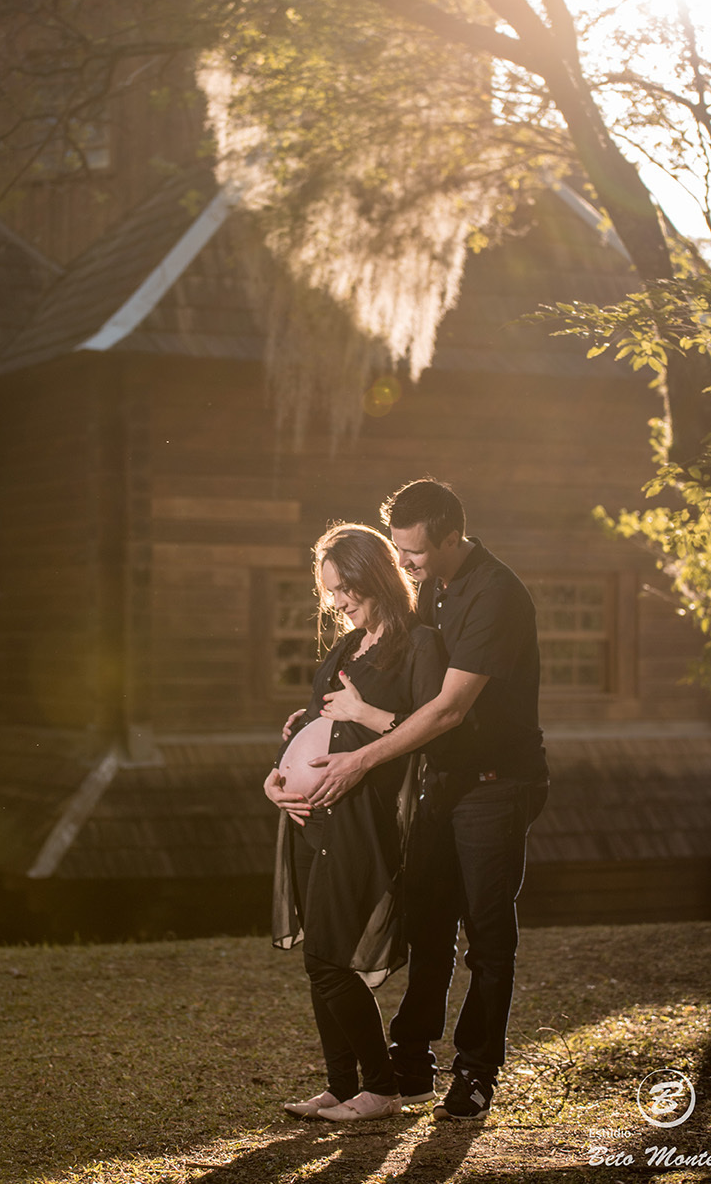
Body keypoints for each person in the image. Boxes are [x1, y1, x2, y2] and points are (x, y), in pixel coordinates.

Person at [308, 479, 548, 1124]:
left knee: (487, 937)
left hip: (496, 783)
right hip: (442, 781)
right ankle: (412, 1062)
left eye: (413, 552)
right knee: (428, 925)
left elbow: (446, 711)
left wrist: (360, 759)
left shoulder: (495, 593)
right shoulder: (432, 586)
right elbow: (403, 687)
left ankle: (476, 1071)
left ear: (451, 536)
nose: (403, 563)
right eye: (399, 549)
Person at [263, 522, 445, 1123]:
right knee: (322, 957)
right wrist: (279, 774)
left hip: (365, 820)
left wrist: (364, 712)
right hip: (315, 819)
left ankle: (382, 1088)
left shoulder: (419, 645)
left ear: (376, 578)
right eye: (330, 591)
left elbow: (432, 733)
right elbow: (319, 723)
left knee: (329, 960)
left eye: (345, 588)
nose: (337, 601)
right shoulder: (346, 649)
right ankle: (341, 1086)